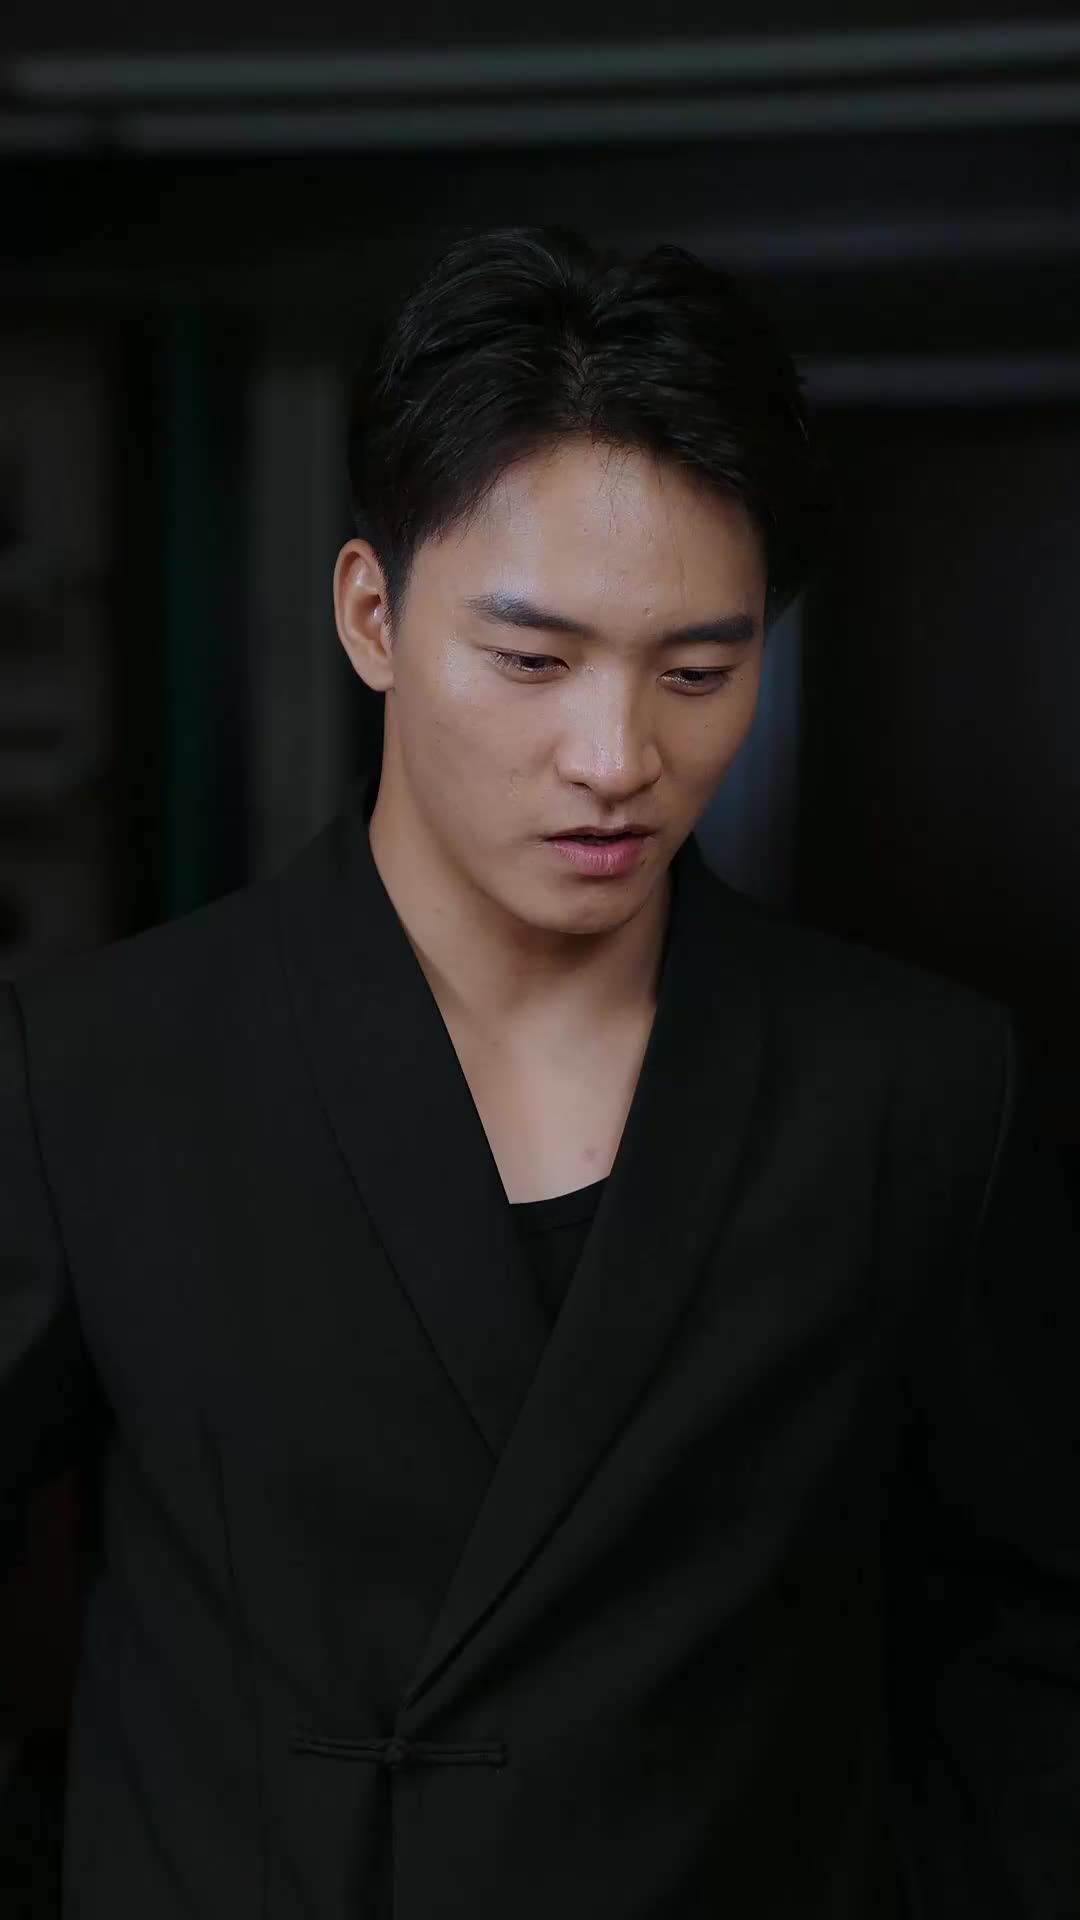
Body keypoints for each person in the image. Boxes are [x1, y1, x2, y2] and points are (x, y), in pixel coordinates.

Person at [2, 224, 1077, 1920]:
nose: (616, 757)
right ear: (372, 614)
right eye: (531, 660)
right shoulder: (104, 1069)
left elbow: (1029, 1648)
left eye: (699, 672)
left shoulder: (914, 1087)